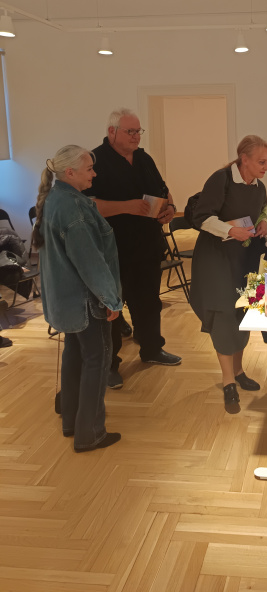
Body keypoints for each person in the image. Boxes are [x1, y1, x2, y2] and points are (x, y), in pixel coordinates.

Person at [33, 145, 123, 452]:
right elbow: (90, 262)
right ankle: (90, 433)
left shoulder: (54, 199)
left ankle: (71, 422)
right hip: (87, 302)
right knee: (98, 360)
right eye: (89, 169)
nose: (94, 174)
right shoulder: (74, 209)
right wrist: (111, 299)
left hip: (67, 302)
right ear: (70, 172)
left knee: (74, 356)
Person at [88, 108, 181, 389]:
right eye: (130, 131)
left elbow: (163, 190)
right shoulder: (94, 161)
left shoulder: (143, 158)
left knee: (149, 301)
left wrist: (170, 208)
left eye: (138, 131)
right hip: (112, 249)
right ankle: (110, 365)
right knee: (112, 309)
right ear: (111, 131)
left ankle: (152, 349)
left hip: (148, 244)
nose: (136, 136)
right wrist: (126, 207)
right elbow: (87, 204)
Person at [190, 135, 267, 413]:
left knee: (243, 311)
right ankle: (228, 382)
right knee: (224, 314)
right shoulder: (221, 179)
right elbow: (201, 217)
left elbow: (262, 210)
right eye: (262, 162)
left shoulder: (259, 186)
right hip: (216, 258)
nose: (266, 168)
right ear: (244, 159)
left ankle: (238, 371)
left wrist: (263, 223)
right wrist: (230, 230)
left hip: (244, 258)